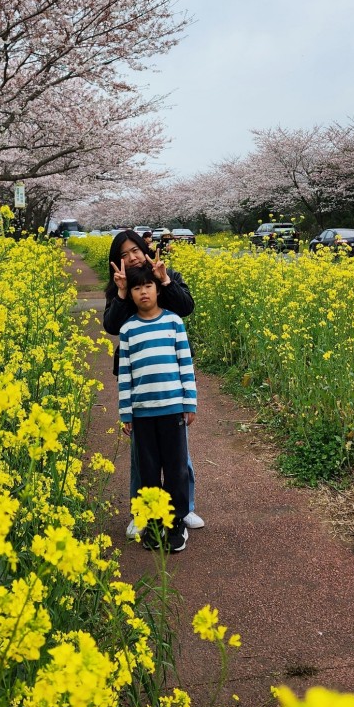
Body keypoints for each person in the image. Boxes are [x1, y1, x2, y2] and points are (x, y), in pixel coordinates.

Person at [103, 229, 204, 535]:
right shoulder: (118, 286)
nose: (131, 257)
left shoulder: (164, 273)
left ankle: (182, 508)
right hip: (138, 372)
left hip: (169, 370)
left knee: (178, 453)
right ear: (116, 261)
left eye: (135, 250)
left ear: (145, 247)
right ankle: (142, 510)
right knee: (142, 455)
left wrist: (165, 280)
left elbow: (185, 307)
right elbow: (111, 325)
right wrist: (121, 292)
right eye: (123, 254)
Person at [118, 264, 196, 553]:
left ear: (158, 288)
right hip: (142, 414)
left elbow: (185, 366)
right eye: (137, 288)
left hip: (172, 409)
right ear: (131, 294)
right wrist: (126, 413)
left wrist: (189, 403)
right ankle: (151, 524)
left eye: (148, 286)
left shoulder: (174, 322)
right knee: (148, 472)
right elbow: (125, 376)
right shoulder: (127, 330)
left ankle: (175, 524)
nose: (143, 292)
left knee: (176, 470)